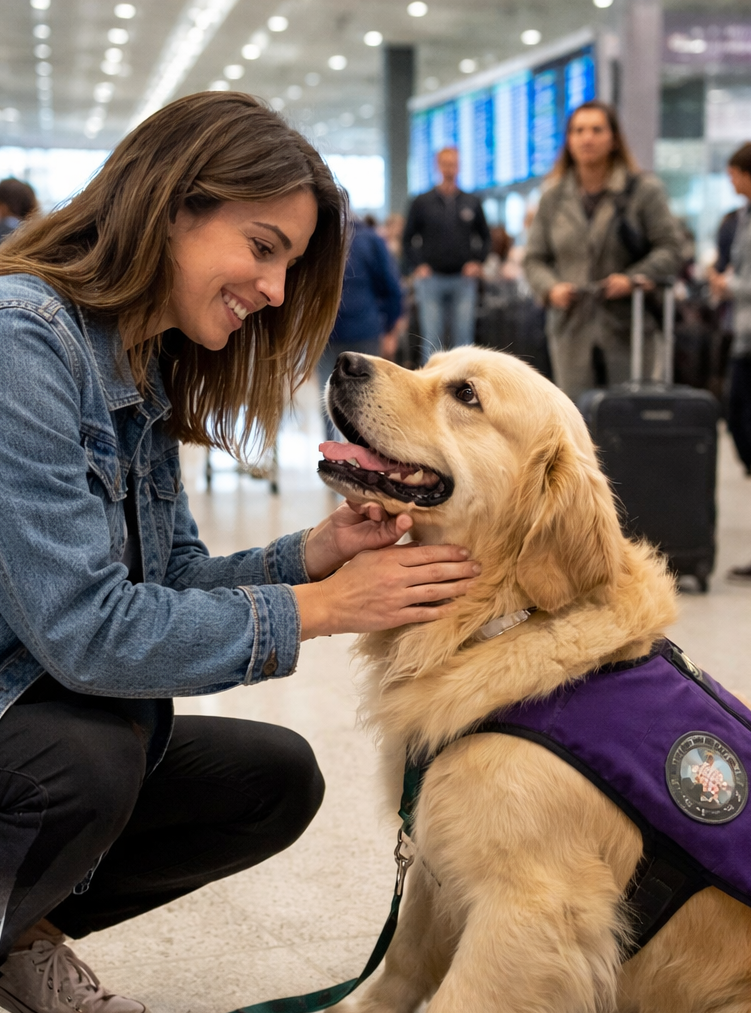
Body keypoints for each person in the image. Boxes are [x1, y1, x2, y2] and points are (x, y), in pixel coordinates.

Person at [0, 92, 480, 1013]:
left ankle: (23, 929)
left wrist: (316, 553)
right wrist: (328, 609)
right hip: (24, 716)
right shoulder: (24, 341)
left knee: (270, 779)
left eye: (289, 265)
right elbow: (86, 634)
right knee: (85, 761)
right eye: (263, 248)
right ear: (172, 205)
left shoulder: (137, 364)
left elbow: (171, 579)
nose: (276, 291)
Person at [524, 100, 683, 404]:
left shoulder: (643, 191)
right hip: (571, 326)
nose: (587, 138)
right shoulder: (553, 197)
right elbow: (534, 258)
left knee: (629, 419)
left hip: (629, 327)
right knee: (576, 421)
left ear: (613, 139)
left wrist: (634, 278)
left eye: (597, 130)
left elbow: (671, 248)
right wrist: (550, 288)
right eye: (579, 130)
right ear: (568, 140)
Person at [317, 214, 403, 440]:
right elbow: (392, 287)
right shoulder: (370, 240)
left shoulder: (317, 238)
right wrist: (390, 328)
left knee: (328, 399)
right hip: (363, 330)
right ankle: (362, 459)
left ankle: (334, 457)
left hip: (326, 332)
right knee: (365, 400)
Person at [402, 146, 491, 362]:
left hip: (463, 279)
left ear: (458, 166)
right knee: (432, 340)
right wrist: (418, 265)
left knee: (464, 340)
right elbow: (407, 239)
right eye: (445, 164)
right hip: (432, 280)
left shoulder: (471, 202)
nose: (449, 169)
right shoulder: (422, 202)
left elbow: (486, 237)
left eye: (453, 164)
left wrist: (477, 262)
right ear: (438, 166)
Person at [709, 142, 751, 582]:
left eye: (736, 173)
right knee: (737, 422)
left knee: (743, 422)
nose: (731, 182)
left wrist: (727, 283)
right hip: (743, 337)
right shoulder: (742, 218)